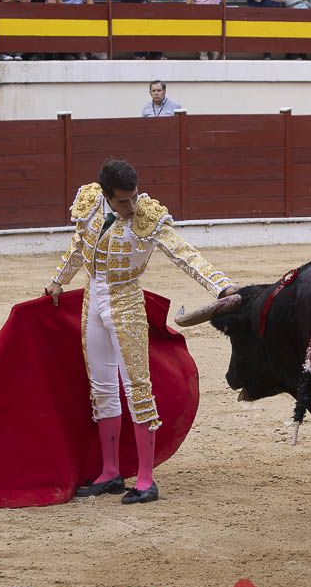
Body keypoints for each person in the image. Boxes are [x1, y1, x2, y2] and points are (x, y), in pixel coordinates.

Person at [45, 159, 237, 504]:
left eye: (133, 197)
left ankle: (146, 479)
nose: (131, 207)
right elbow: (77, 248)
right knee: (102, 387)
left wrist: (221, 287)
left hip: (127, 301)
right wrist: (59, 281)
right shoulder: (90, 204)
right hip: (94, 299)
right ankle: (110, 473)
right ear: (106, 195)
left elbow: (185, 255)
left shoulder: (147, 215)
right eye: (122, 201)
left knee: (138, 387)